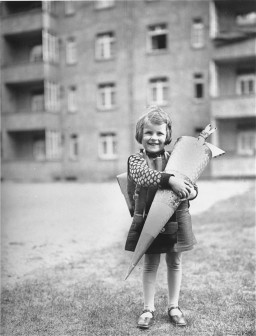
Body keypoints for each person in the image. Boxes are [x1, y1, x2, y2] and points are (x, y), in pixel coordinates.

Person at [124, 105, 198, 329]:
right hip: (150, 218)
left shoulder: (176, 159)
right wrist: (170, 180)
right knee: (150, 263)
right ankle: (148, 308)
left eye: (159, 133)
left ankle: (174, 306)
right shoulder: (135, 161)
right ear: (140, 135)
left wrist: (192, 191)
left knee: (175, 262)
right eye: (149, 132)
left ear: (167, 135)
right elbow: (144, 176)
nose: (154, 137)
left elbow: (191, 183)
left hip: (175, 217)